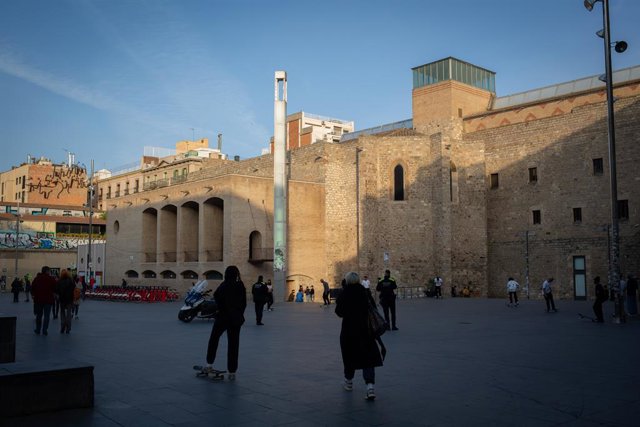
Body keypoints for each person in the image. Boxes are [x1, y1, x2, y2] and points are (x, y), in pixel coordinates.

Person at [335, 271, 384, 401]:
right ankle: (370, 387)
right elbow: (373, 307)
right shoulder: (364, 292)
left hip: (349, 330)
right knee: (368, 358)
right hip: (365, 330)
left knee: (349, 355)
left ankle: (349, 381)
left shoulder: (344, 293)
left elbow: (339, 312)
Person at [202, 265, 246, 380]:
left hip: (223, 318)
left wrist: (222, 309)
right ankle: (232, 372)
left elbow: (216, 296)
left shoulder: (224, 285)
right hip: (235, 319)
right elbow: (244, 303)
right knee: (234, 345)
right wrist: (239, 313)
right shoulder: (240, 285)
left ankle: (209, 364)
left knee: (214, 339)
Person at [30, 266, 57, 335]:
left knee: (39, 315)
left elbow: (32, 287)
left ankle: (38, 329)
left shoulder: (37, 279)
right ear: (47, 271)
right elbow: (55, 287)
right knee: (47, 316)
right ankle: (45, 330)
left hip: (38, 300)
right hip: (48, 300)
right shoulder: (51, 279)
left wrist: (33, 295)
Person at [56, 269, 75, 334]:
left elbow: (57, 290)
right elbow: (73, 290)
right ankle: (68, 328)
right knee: (69, 314)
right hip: (69, 299)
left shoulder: (59, 281)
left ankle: (62, 325)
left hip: (62, 300)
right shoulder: (71, 281)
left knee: (62, 313)